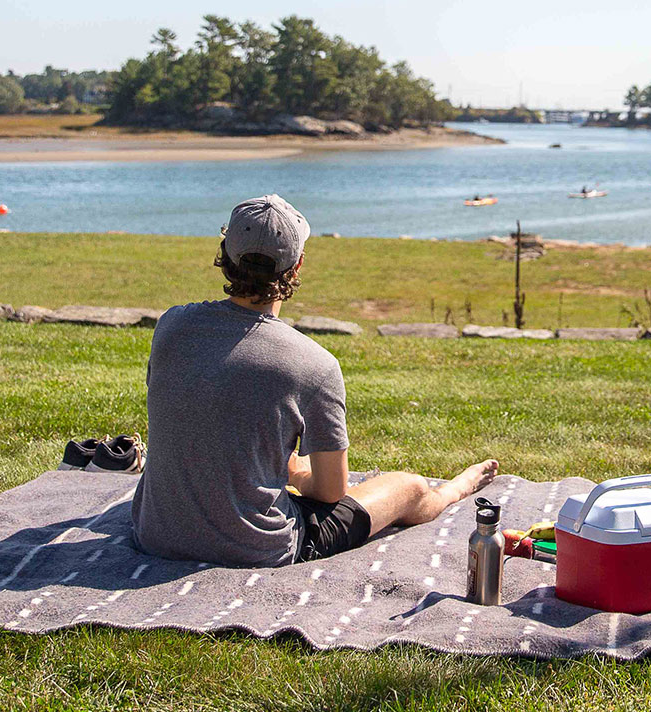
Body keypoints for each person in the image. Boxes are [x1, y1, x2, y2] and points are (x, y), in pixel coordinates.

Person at [131, 194, 499, 567]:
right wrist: (297, 475)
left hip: (157, 534)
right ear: (297, 266)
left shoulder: (172, 326)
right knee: (411, 487)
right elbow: (330, 492)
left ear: (224, 253)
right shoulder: (314, 364)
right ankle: (454, 491)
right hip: (255, 547)